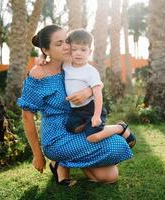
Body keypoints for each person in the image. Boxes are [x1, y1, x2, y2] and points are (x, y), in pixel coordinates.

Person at [17, 24, 134, 187]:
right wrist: (37, 154)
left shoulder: (71, 64)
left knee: (109, 176)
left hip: (78, 127)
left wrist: (88, 92)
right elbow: (26, 115)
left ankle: (61, 164)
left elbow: (95, 82)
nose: (66, 46)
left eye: (66, 41)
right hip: (57, 138)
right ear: (46, 50)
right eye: (59, 44)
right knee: (118, 143)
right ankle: (59, 160)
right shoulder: (38, 74)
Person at [64, 29, 136, 147]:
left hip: (91, 108)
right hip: (75, 110)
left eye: (83, 50)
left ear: (90, 51)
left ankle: (120, 128)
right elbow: (50, 59)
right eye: (74, 49)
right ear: (69, 50)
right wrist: (42, 57)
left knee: (92, 137)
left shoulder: (91, 72)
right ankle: (88, 124)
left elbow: (97, 94)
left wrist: (96, 116)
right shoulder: (66, 66)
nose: (78, 53)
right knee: (71, 128)